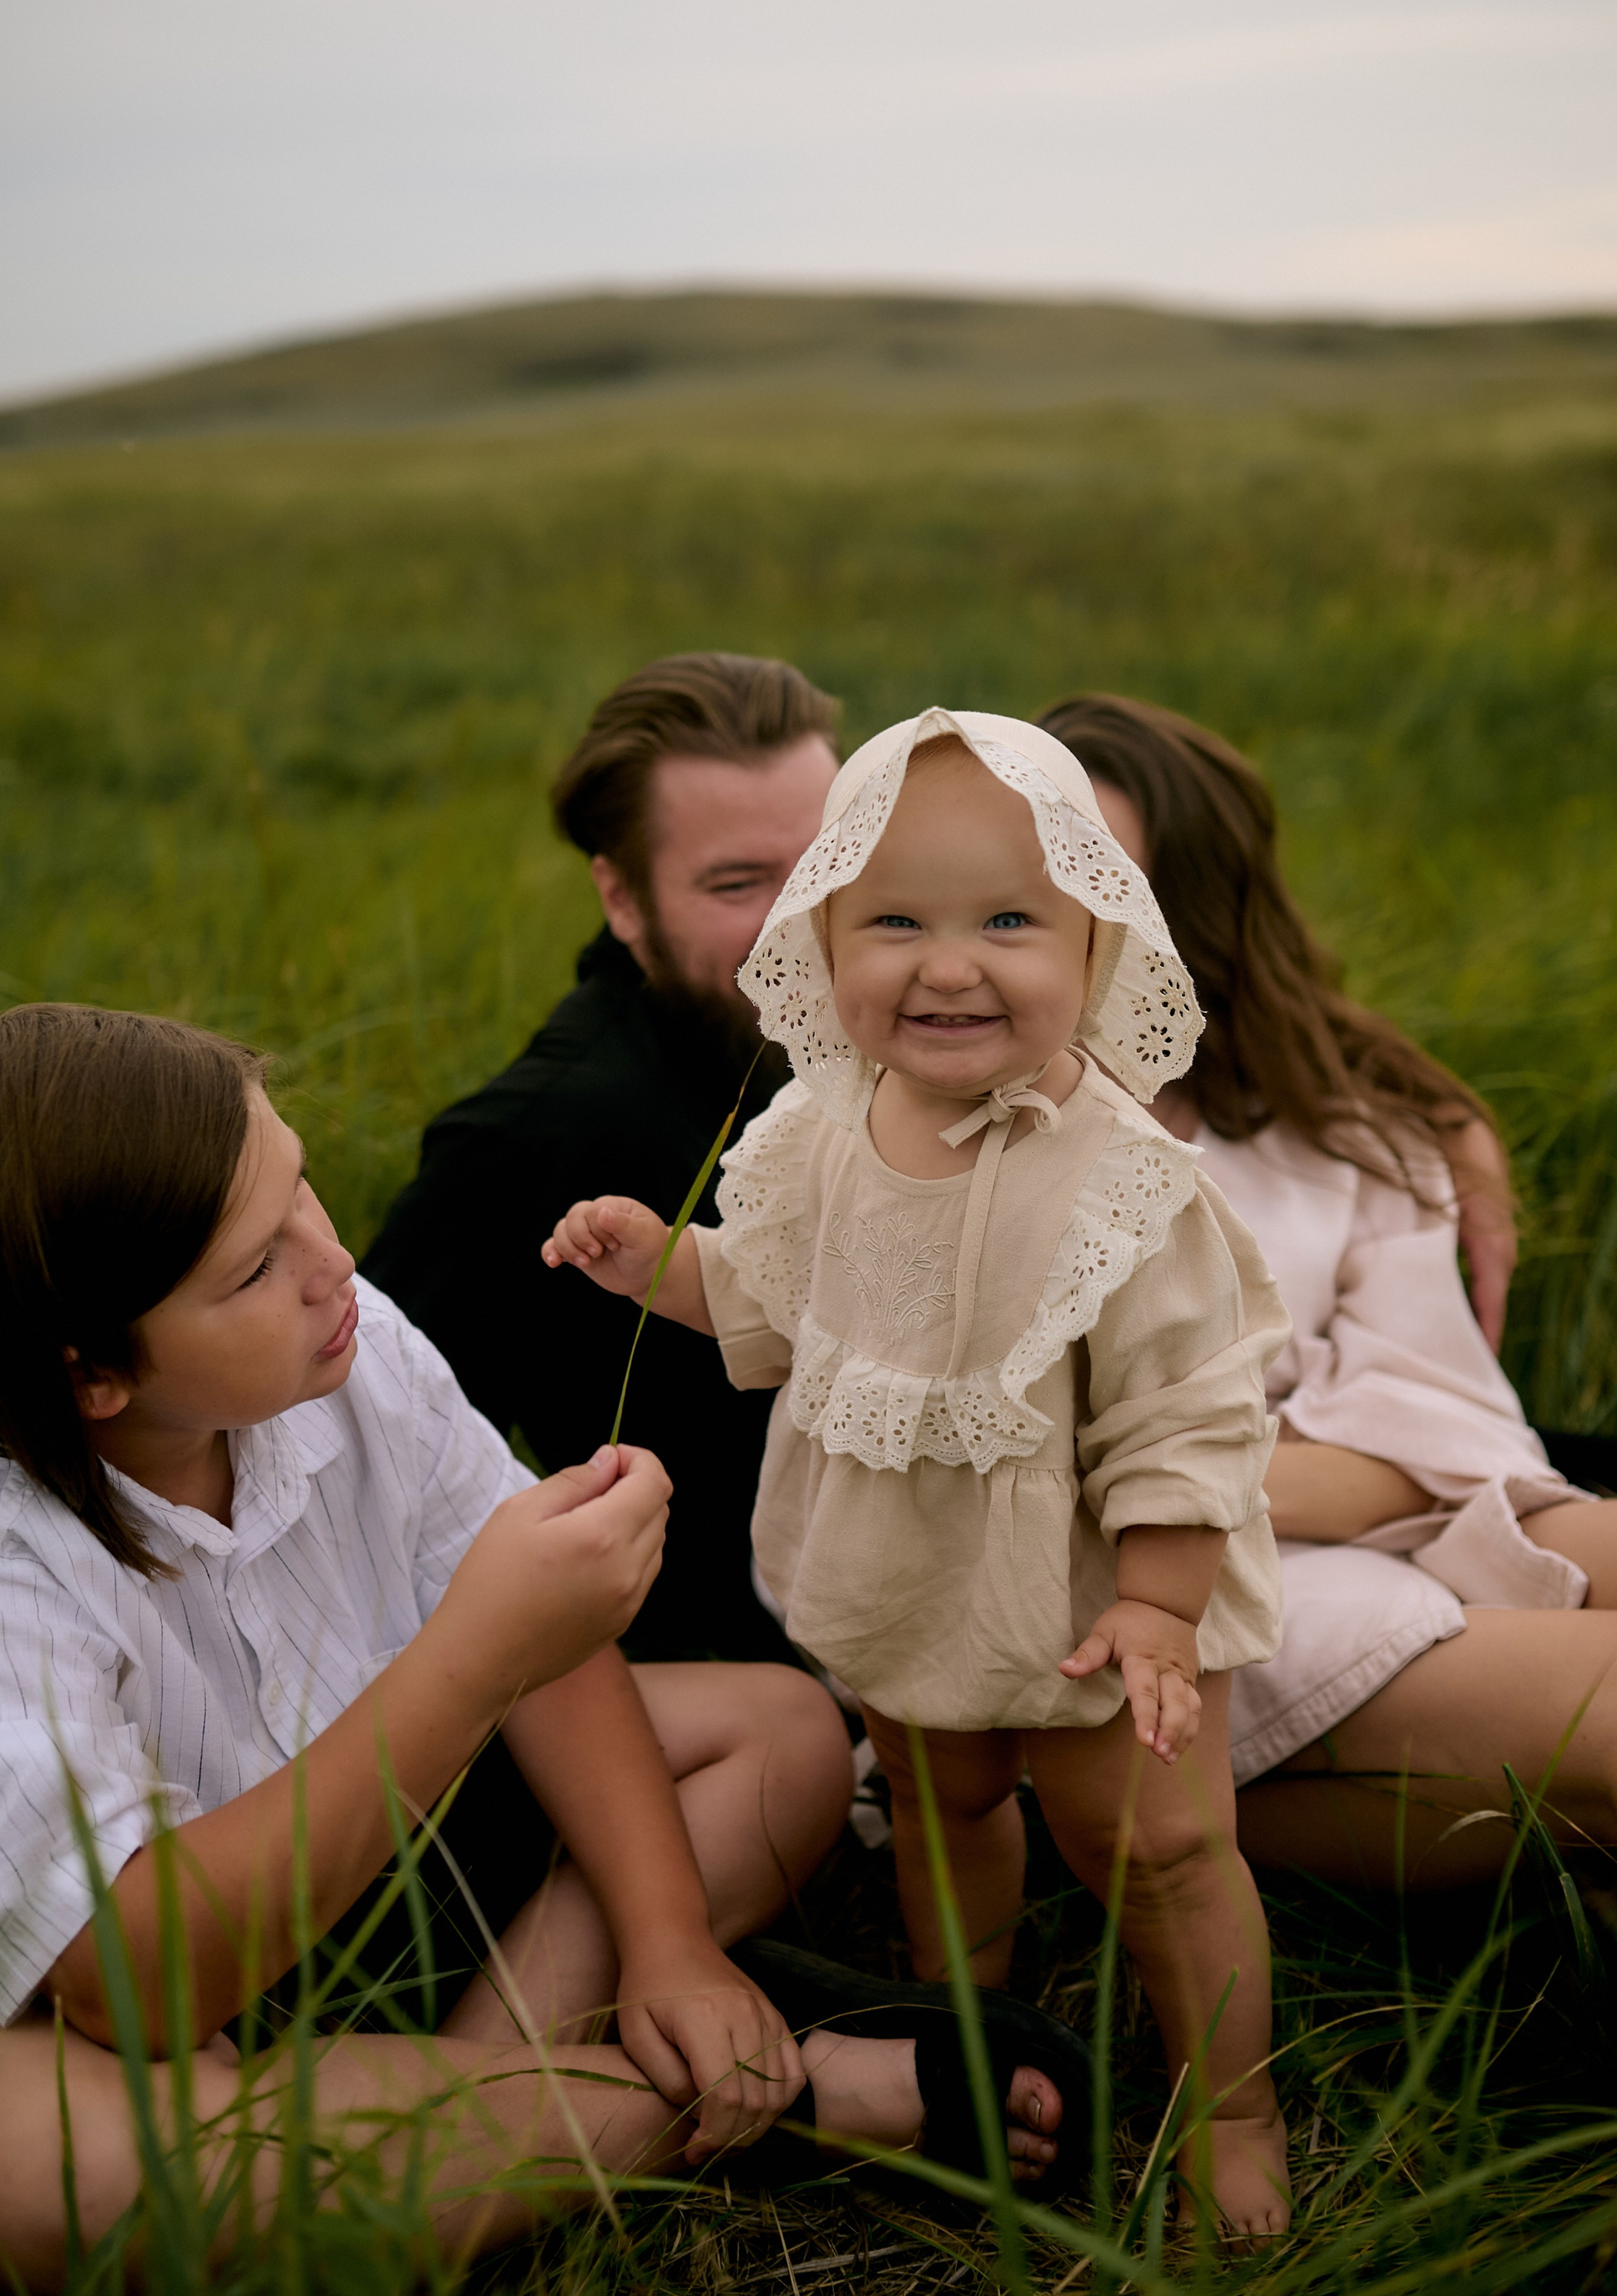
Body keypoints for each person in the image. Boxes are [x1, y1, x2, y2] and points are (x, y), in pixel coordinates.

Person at [0, 1004, 1081, 2285]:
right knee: (84, 2180)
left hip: (389, 1868)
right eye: (250, 1271)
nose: (329, 1259)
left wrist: (669, 1937)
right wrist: (474, 1652)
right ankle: (742, 2109)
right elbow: (146, 1988)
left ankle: (469, 2108)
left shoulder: (347, 1344)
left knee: (784, 1733)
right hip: (131, 2002)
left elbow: (550, 1645)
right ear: (91, 1378)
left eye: (299, 1191)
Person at [545, 708, 1295, 2237]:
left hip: (1094, 1588)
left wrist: (1159, 1602)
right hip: (906, 1565)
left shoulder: (1121, 1181)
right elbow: (773, 1301)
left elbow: (1186, 1411)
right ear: (823, 940)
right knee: (941, 1802)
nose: (947, 966)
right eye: (893, 921)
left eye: (1008, 922)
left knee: (1152, 1846)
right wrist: (662, 1268)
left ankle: (1232, 2104)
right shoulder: (822, 1131)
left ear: (1097, 941)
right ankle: (969, 2016)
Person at [1037, 694, 1617, 1885]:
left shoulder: (1324, 1130)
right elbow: (1043, 1489)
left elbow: (1444, 1419)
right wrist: (1315, 1470)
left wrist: (1233, 1470)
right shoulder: (957, 1151)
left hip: (1401, 1512)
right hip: (1173, 1600)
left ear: (1194, 918)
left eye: (1107, 882)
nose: (1059, 918)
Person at [363, 652, 841, 1664]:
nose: (806, 920)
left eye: (831, 860)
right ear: (621, 898)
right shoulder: (538, 1138)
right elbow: (349, 1462)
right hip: (748, 1683)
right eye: (739, 882)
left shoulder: (889, 1040)